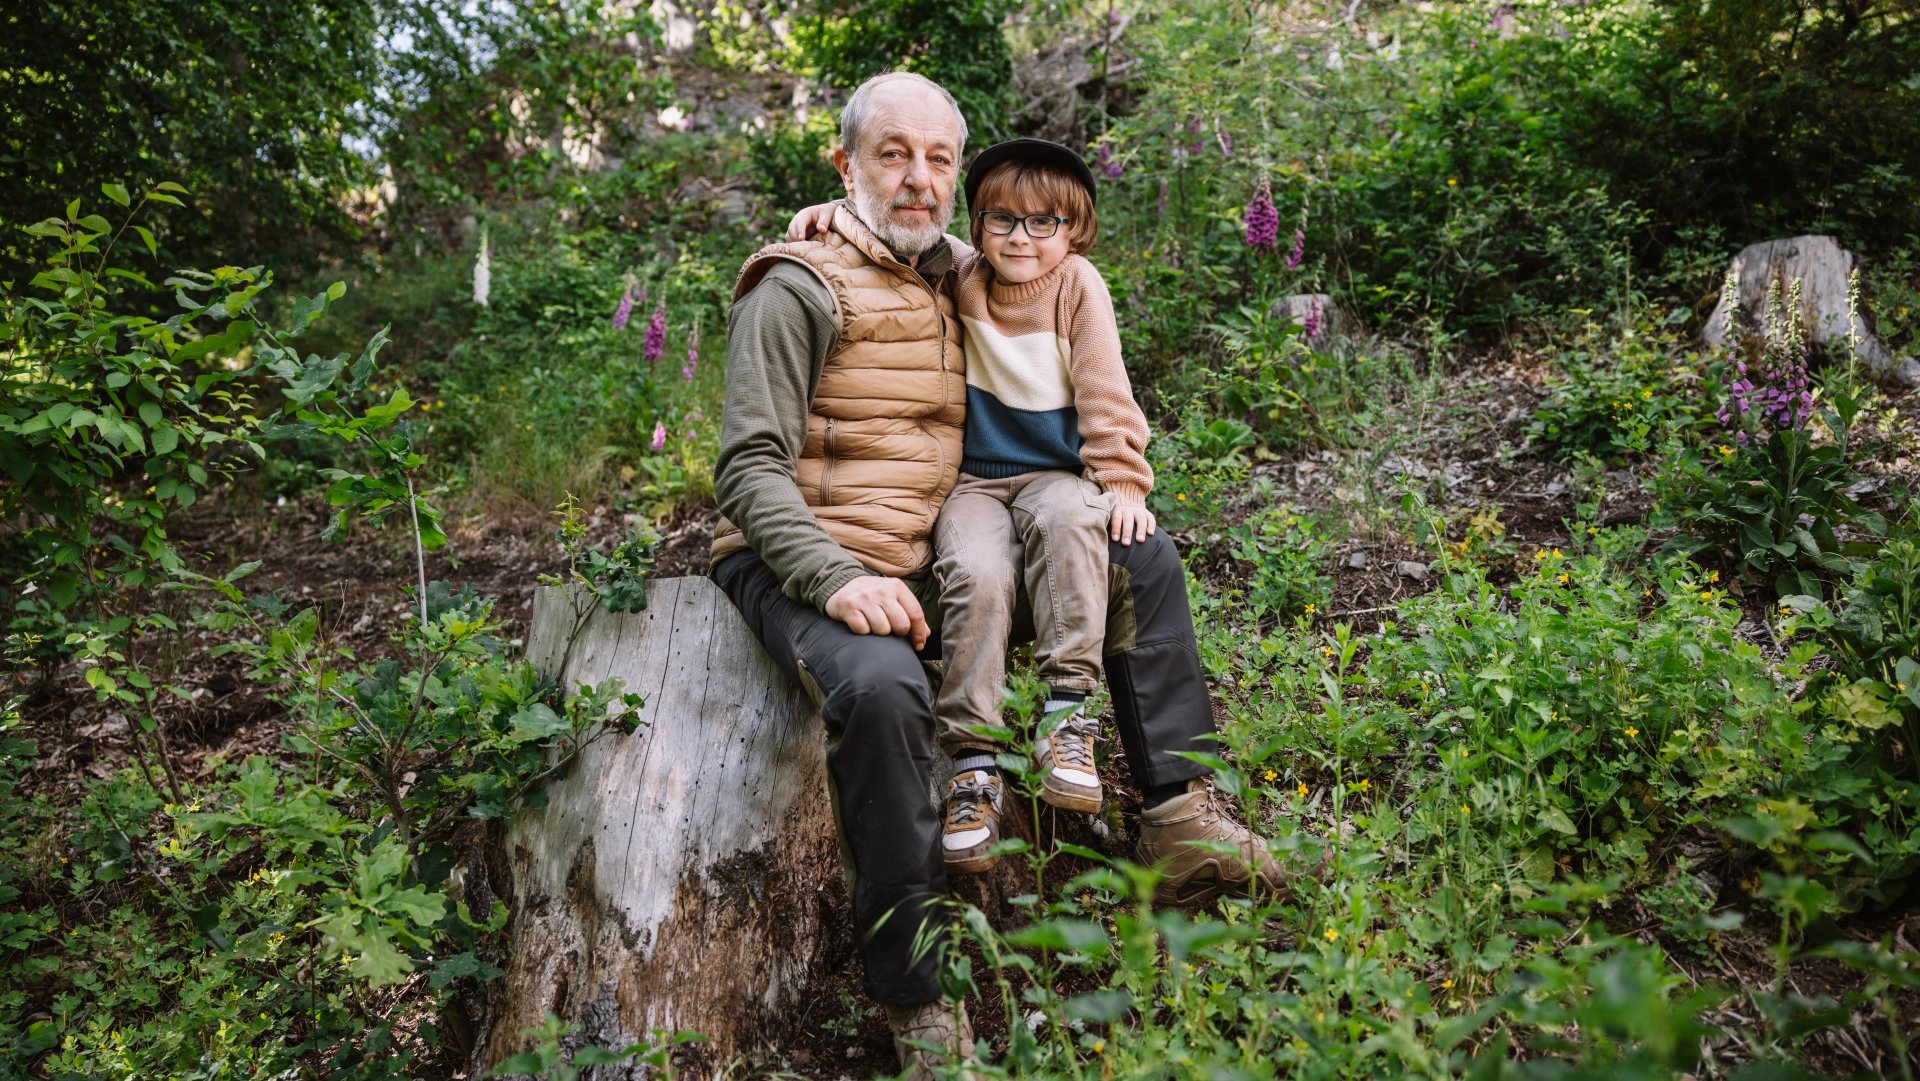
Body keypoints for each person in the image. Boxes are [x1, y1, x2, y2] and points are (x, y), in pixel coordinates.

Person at [709, 71, 1285, 1079]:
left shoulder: (955, 266)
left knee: (1135, 551)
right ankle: (916, 989)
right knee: (885, 691)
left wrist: (1112, 468)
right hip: (806, 559)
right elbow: (747, 471)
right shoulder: (797, 287)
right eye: (892, 153)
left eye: (938, 158)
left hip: (935, 550)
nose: (918, 177)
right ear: (845, 166)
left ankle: (1177, 816)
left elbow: (1034, 253)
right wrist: (834, 578)